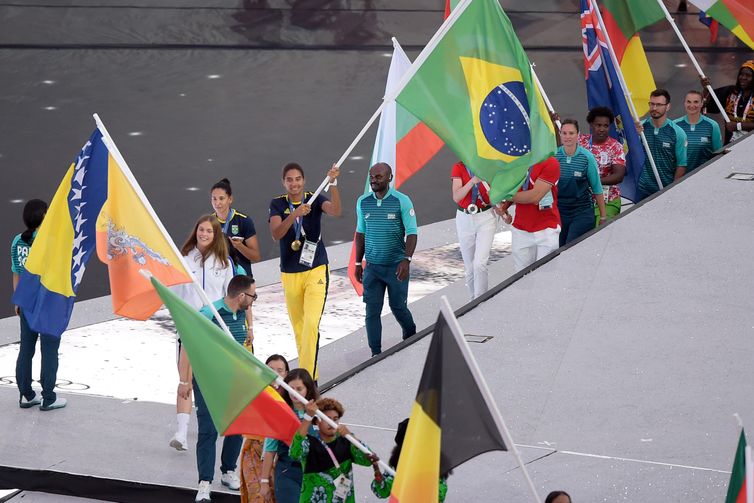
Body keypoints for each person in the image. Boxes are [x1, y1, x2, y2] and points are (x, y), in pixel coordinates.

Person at [269, 163, 341, 382]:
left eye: (298, 179)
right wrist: (295, 215)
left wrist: (333, 184)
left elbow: (336, 211)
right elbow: (276, 233)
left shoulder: (316, 198)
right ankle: (311, 376)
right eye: (289, 179)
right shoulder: (277, 204)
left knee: (311, 323)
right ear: (284, 182)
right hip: (290, 273)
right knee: (300, 329)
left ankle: (306, 381)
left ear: (304, 180)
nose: (294, 183)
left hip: (315, 269)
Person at [170, 215, 236, 452]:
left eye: (209, 231)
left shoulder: (225, 263)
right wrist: (179, 320)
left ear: (216, 234)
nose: (204, 234)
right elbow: (175, 293)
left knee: (210, 382)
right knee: (184, 378)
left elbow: (230, 297)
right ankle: (181, 432)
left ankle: (210, 425)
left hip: (214, 330)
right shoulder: (184, 259)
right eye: (201, 230)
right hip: (188, 327)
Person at [194, 274, 258, 503]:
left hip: (235, 380)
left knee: (236, 426)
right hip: (208, 381)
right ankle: (204, 483)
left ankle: (228, 470)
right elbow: (191, 343)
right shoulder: (210, 313)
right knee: (209, 430)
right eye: (253, 296)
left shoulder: (241, 314)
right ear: (241, 295)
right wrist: (184, 381)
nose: (253, 300)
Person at [354, 163, 418, 356]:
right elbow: (360, 233)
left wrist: (406, 259)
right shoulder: (363, 202)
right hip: (372, 268)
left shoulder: (402, 201)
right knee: (372, 311)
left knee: (398, 307)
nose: (374, 180)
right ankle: (376, 353)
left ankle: (411, 334)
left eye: (379, 177)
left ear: (390, 178)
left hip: (396, 267)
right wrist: (358, 263)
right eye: (371, 176)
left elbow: (412, 233)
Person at [12, 199, 66, 411]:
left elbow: (16, 270)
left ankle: (26, 394)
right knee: (50, 349)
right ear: (45, 216)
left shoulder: (17, 241)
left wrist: (17, 299)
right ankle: (49, 397)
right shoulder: (50, 240)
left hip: (26, 301)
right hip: (49, 301)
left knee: (26, 348)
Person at [290, 398, 373, 503]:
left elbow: (369, 460)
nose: (331, 423)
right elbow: (294, 453)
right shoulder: (309, 443)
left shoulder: (346, 441)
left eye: (335, 419)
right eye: (326, 419)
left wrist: (352, 437)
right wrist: (308, 417)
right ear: (317, 421)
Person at [260, 369, 319, 503]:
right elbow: (270, 450)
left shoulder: (320, 414)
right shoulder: (280, 414)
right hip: (287, 472)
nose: (295, 393)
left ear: (308, 389)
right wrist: (264, 481)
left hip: (313, 475)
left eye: (299, 389)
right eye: (291, 388)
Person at [240, 354, 289, 503]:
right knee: (258, 497)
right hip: (254, 449)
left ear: (286, 374)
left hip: (280, 456)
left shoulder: (292, 398)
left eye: (280, 370)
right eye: (270, 369)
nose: (275, 374)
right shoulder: (254, 392)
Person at [499, 157, 561, 272]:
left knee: (545, 277)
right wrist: (504, 206)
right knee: (521, 279)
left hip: (546, 230)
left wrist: (502, 195)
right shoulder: (516, 161)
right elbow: (514, 189)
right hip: (521, 229)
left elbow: (535, 196)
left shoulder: (551, 162)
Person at [554, 119, 606, 245]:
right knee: (558, 248)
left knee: (571, 245)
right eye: (564, 133)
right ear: (560, 134)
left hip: (582, 211)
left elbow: (597, 187)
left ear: (578, 134)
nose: (567, 137)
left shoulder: (587, 157)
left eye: (571, 133)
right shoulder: (554, 156)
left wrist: (603, 216)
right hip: (560, 210)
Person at [451, 161, 497, 300]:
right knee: (470, 267)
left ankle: (480, 299)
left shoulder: (489, 165)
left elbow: (496, 194)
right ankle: (472, 301)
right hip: (464, 217)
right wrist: (472, 181)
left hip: (486, 217)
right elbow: (457, 197)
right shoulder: (458, 167)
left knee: (480, 263)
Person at [371, 418, 449, 501]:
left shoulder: (433, 463)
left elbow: (439, 494)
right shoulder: (398, 464)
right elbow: (383, 492)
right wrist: (377, 471)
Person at [637, 89, 688, 201]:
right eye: (652, 104)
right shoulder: (640, 128)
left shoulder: (677, 132)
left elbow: (682, 165)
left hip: (663, 189)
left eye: (659, 105)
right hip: (641, 189)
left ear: (668, 106)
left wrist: (672, 190)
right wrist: (634, 136)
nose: (654, 108)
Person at [579, 107, 626, 225]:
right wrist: (555, 124)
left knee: (598, 234)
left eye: (605, 126)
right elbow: (561, 151)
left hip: (608, 200)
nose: (601, 129)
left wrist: (593, 182)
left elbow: (619, 176)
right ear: (591, 124)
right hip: (582, 201)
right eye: (598, 125)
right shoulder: (580, 142)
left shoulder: (615, 147)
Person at [211, 178, 261, 276]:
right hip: (219, 278)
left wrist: (239, 246)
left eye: (221, 198)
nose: (217, 203)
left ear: (230, 199)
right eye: (214, 198)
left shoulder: (243, 220)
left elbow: (256, 257)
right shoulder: (208, 223)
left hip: (241, 279)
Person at [704, 60, 754, 144]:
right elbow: (708, 104)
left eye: (748, 75)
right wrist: (706, 89)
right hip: (730, 147)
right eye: (741, 74)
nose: (743, 77)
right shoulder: (730, 92)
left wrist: (737, 126)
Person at [675, 90, 723, 172]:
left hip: (703, 176)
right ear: (685, 103)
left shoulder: (712, 125)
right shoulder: (675, 125)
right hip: (679, 178)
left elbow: (718, 154)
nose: (692, 105)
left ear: (702, 104)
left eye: (696, 102)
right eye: (689, 102)